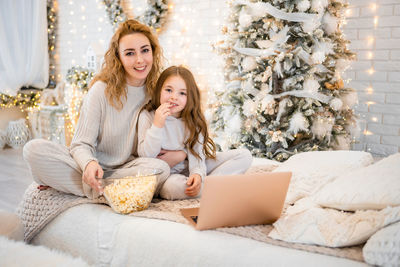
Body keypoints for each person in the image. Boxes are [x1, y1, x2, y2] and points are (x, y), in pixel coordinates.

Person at [23, 19, 185, 198]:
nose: (140, 60)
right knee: (33, 149)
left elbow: (179, 127)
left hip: (132, 168)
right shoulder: (101, 90)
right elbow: (80, 144)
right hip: (96, 165)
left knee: (159, 168)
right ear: (119, 58)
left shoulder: (158, 91)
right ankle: (111, 190)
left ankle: (94, 189)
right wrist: (89, 164)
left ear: (153, 52)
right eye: (130, 53)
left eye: (145, 50)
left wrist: (182, 154)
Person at [137, 65, 252, 200]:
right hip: (169, 176)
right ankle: (218, 186)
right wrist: (157, 125)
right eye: (169, 90)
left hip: (193, 165)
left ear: (190, 96)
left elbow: (197, 154)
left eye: (182, 93)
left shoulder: (192, 120)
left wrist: (197, 174)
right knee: (172, 188)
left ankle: (205, 185)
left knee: (244, 155)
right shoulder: (148, 116)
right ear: (159, 91)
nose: (174, 97)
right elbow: (146, 155)